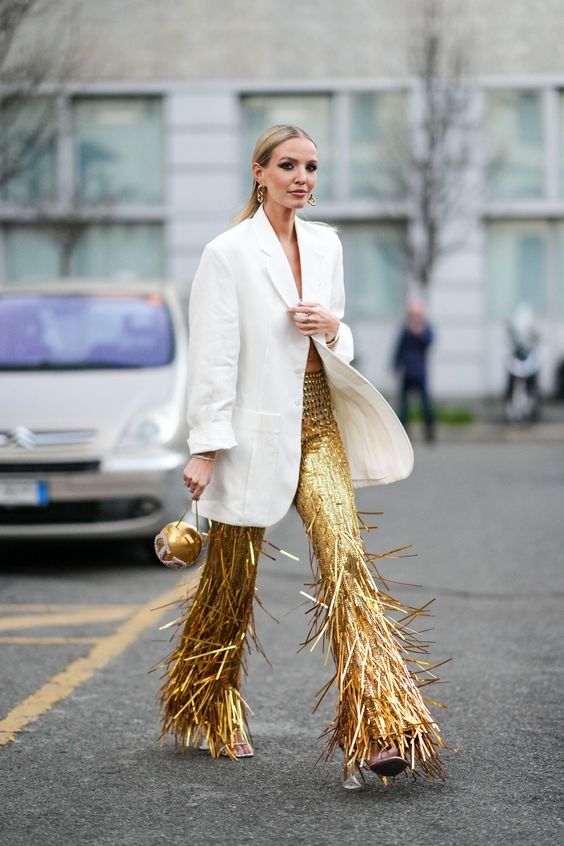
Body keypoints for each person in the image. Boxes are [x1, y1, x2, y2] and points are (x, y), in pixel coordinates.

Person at [158, 125, 446, 788]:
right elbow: (216, 358)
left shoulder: (326, 245)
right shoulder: (226, 254)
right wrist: (205, 449)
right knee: (230, 583)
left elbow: (337, 337)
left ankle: (379, 725)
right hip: (251, 435)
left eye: (311, 166)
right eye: (288, 165)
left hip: (318, 428)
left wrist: (333, 328)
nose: (302, 178)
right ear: (259, 173)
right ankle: (208, 700)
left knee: (347, 562)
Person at [393, 300, 436, 443]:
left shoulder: (426, 328)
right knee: (404, 404)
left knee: (425, 403)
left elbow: (429, 342)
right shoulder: (405, 329)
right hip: (407, 371)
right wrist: (395, 366)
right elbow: (399, 348)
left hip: (420, 371)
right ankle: (404, 433)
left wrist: (419, 332)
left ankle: (429, 432)